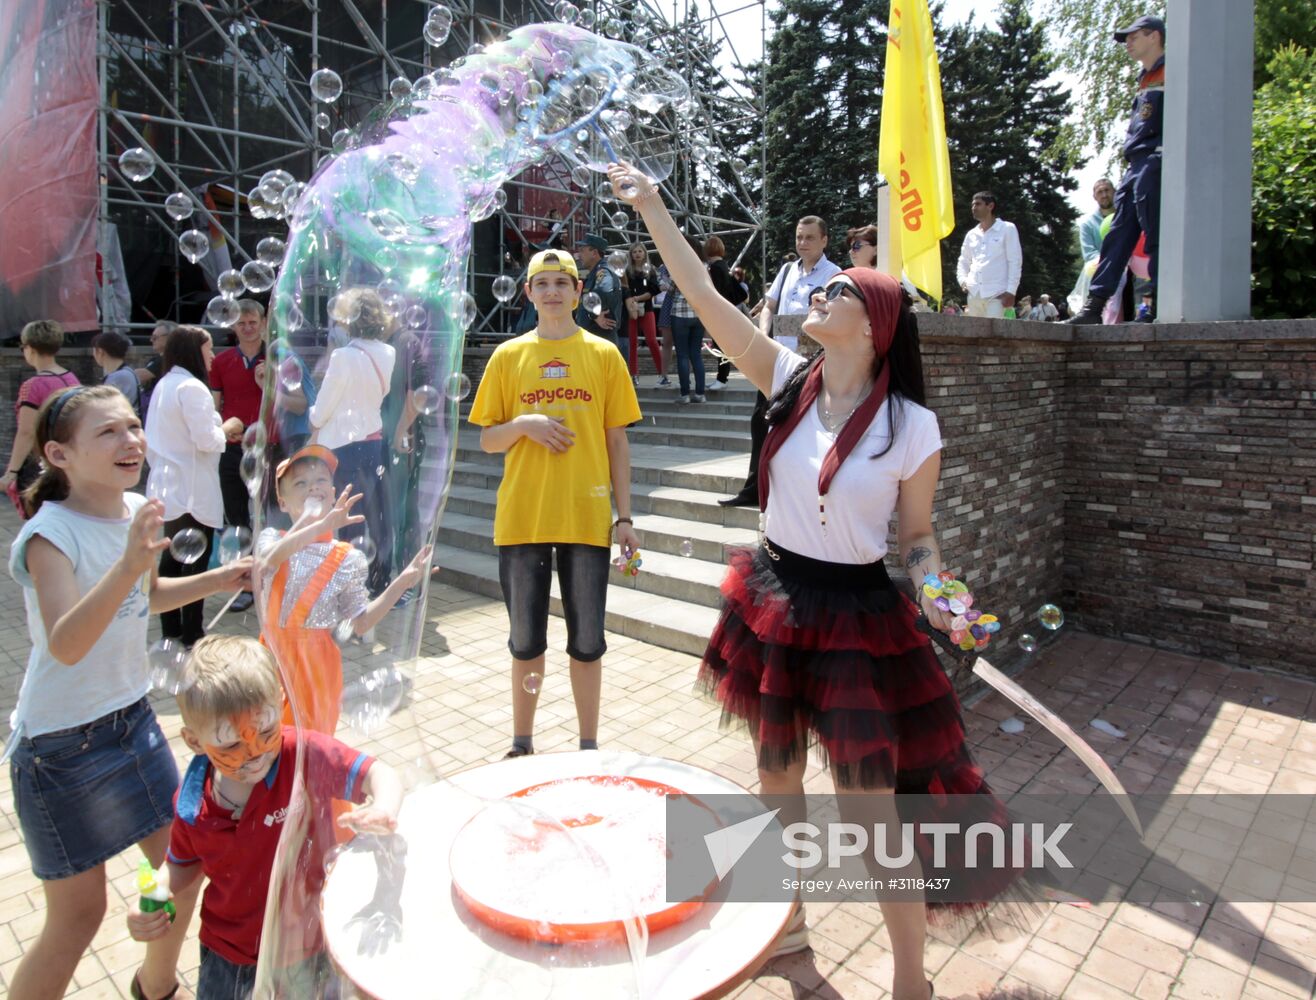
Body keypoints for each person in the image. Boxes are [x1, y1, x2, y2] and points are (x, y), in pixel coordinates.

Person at [611, 160, 1026, 999]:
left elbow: (916, 541)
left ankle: (912, 979)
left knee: (872, 813)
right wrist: (654, 205)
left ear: (871, 327)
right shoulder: (786, 379)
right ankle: (787, 931)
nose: (819, 295)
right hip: (775, 599)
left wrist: (944, 599)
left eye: (837, 291)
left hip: (858, 616)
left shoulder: (913, 425)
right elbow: (702, 296)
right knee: (776, 786)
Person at [7, 385, 250, 1000]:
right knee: (78, 916)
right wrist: (126, 564)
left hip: (132, 724)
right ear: (59, 456)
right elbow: (66, 642)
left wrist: (219, 578)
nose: (131, 441)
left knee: (183, 867)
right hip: (60, 748)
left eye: (132, 427)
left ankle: (155, 984)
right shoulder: (49, 535)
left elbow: (147, 598)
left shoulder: (136, 508)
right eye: (108, 432)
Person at [125, 635, 403, 998]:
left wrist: (383, 805)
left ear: (280, 704)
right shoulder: (193, 803)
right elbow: (181, 864)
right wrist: (152, 899)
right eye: (230, 744)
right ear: (194, 742)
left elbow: (378, 774)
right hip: (229, 958)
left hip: (308, 946)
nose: (254, 754)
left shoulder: (301, 754)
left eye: (266, 732)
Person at [468, 249, 642, 759]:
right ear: (528, 293)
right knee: (525, 641)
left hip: (587, 520)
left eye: (561, 283)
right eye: (540, 283)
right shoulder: (508, 356)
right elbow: (487, 440)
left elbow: (617, 442)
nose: (551, 292)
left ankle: (589, 745)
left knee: (588, 642)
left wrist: (625, 518)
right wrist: (524, 425)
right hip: (523, 518)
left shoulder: (604, 354)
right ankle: (522, 743)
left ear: (578, 291)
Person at [259, 446, 432, 734]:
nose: (313, 486)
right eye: (300, 482)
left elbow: (361, 622)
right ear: (282, 501)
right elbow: (267, 560)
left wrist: (401, 582)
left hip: (318, 668)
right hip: (270, 661)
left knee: (313, 752)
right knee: (266, 747)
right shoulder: (272, 539)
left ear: (334, 490)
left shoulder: (347, 557)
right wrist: (321, 526)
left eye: (321, 480)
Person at [720, 217, 841, 507]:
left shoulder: (834, 274)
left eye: (810, 238)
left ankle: (797, 492)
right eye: (799, 237)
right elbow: (769, 306)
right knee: (760, 421)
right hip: (776, 360)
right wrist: (763, 335)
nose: (803, 243)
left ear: (824, 240)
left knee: (801, 427)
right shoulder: (787, 271)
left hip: (811, 363)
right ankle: (754, 489)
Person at [146, 326, 241, 648]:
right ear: (193, 351)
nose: (213, 356)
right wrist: (228, 426)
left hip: (168, 486)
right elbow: (207, 441)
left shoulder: (165, 384)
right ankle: (192, 634)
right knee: (194, 565)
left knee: (172, 559)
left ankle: (171, 630)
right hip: (191, 489)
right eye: (208, 348)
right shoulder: (192, 387)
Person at [1070, 15, 1165, 325]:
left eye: (1134, 36)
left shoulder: (1176, 69)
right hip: (1135, 163)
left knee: (1155, 236)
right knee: (1117, 236)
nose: (1128, 42)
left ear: (1154, 36)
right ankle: (1094, 307)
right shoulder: (1144, 76)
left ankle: (1156, 305)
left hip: (1156, 158)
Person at [308, 287, 396, 597]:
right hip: (373, 441)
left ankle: (347, 583)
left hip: (343, 447)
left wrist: (314, 418)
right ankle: (379, 575)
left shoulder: (343, 356)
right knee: (377, 513)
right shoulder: (388, 352)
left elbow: (323, 407)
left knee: (348, 518)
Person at [209, 300, 267, 611]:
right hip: (231, 450)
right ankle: (246, 582)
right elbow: (216, 405)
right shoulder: (221, 361)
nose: (247, 327)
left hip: (266, 447)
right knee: (237, 519)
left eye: (252, 322)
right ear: (233, 326)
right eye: (241, 323)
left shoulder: (276, 356)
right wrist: (220, 429)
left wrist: (266, 380)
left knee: (268, 515)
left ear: (263, 322)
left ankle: (272, 578)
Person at [3, 320, 80, 514]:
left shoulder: (33, 385)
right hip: (69, 460)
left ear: (30, 348)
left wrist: (11, 472)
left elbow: (26, 432)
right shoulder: (72, 379)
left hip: (41, 465)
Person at [956, 192, 1022, 318]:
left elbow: (1015, 261)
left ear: (990, 206)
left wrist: (1011, 291)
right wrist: (963, 280)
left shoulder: (1007, 228)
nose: (973, 208)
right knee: (974, 334)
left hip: (997, 294)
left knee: (994, 335)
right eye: (972, 205)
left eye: (978, 204)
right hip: (974, 294)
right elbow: (963, 260)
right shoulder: (971, 234)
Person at [669, 234, 710, 404]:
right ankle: (700, 393)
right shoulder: (704, 265)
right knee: (696, 354)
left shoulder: (678, 264)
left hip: (679, 313)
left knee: (682, 355)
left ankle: (685, 394)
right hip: (698, 313)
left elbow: (671, 288)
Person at [704, 235, 747, 391]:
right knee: (721, 346)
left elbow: (717, 292)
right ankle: (721, 378)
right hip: (726, 310)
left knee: (720, 347)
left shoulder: (714, 268)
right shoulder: (723, 265)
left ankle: (721, 379)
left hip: (719, 312)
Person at [574, 233, 625, 357]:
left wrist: (594, 314)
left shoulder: (603, 271)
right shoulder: (597, 271)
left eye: (582, 250)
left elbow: (602, 289)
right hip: (595, 337)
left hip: (599, 338)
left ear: (594, 252)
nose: (579, 255)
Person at [622, 242, 664, 386]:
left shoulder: (650, 270)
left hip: (647, 308)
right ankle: (634, 374)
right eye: (634, 252)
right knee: (632, 342)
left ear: (645, 253)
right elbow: (624, 289)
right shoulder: (627, 271)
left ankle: (662, 374)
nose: (637, 254)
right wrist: (632, 300)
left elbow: (654, 290)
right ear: (631, 255)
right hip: (630, 309)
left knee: (652, 340)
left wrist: (637, 298)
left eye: (640, 251)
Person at [134, 320, 177, 418]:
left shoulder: (169, 358)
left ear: (170, 338)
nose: (151, 340)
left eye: (155, 337)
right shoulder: (158, 358)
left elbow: (140, 376)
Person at [92, 331, 142, 415]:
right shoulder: (127, 372)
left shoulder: (118, 376)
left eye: (93, 350)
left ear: (100, 352)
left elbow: (104, 408)